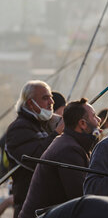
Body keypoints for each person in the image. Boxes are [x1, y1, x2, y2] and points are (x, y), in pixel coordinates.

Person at [19, 98, 101, 218]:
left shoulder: (69, 142)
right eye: (94, 116)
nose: (99, 120)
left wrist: (93, 140)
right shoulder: (68, 150)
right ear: (82, 123)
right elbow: (81, 198)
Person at [5, 80, 64, 217]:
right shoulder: (18, 128)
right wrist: (57, 133)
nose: (51, 102)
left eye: (51, 97)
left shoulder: (45, 123)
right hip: (30, 207)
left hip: (49, 205)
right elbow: (37, 159)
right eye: (45, 98)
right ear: (30, 103)